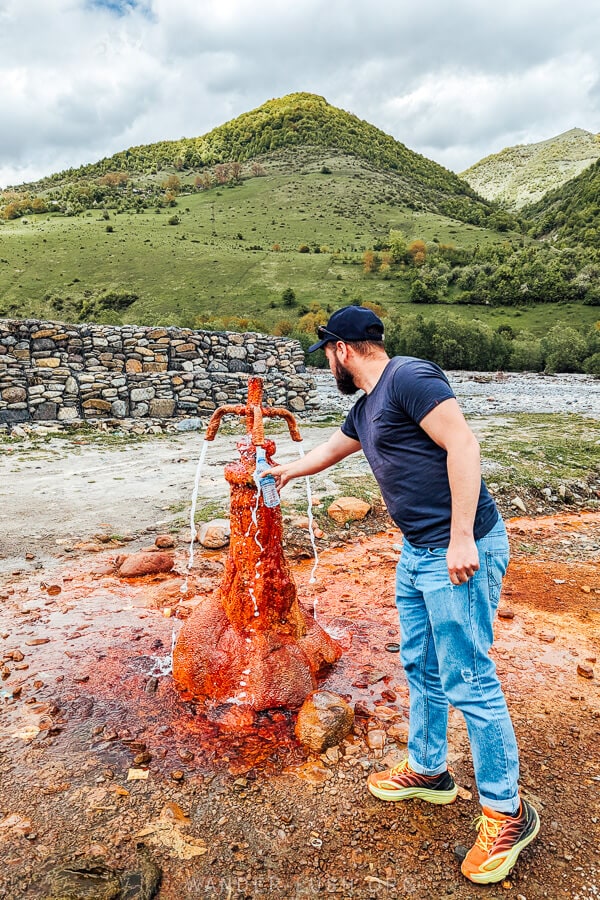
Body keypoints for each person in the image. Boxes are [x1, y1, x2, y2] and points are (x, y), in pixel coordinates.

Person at [265, 306, 539, 885]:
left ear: (341, 350)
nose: (330, 367)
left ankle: (507, 811)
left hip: (458, 549)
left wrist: (462, 536)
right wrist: (286, 471)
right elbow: (329, 453)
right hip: (418, 553)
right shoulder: (365, 407)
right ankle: (430, 770)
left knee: (468, 674)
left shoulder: (409, 378)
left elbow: (463, 445)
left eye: (329, 357)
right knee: (421, 663)